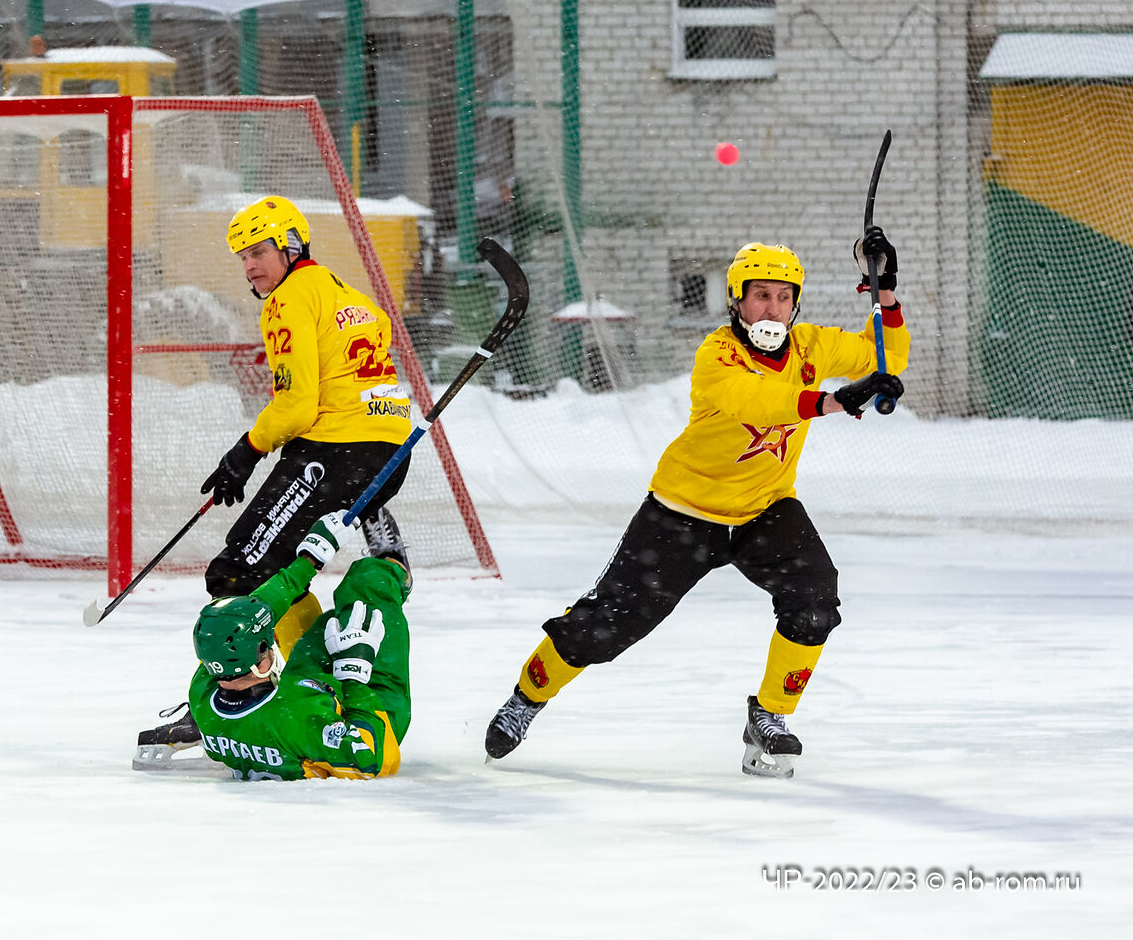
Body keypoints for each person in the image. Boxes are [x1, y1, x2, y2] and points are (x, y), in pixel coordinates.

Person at [483, 229, 909, 779]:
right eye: (761, 295)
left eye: (784, 297)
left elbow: (887, 354)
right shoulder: (717, 353)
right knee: (607, 626)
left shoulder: (812, 346)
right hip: (683, 513)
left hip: (764, 509)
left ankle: (769, 716)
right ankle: (526, 697)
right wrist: (832, 400)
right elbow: (759, 401)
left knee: (815, 599)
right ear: (736, 299)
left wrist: (885, 289)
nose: (772, 308)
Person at [135, 195, 415, 758]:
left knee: (239, 574)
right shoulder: (347, 294)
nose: (250, 267)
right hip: (386, 452)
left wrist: (247, 450)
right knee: (276, 569)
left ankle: (254, 689)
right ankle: (316, 673)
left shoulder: (288, 299)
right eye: (242, 257)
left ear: (290, 246)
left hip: (336, 451)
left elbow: (297, 406)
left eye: (259, 252)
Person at [180, 511, 412, 780]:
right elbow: (371, 761)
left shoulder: (204, 695)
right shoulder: (299, 716)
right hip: (370, 718)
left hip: (300, 703)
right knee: (369, 586)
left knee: (326, 623)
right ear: (259, 657)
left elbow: (259, 608)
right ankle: (392, 561)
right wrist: (354, 675)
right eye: (268, 641)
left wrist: (307, 561)